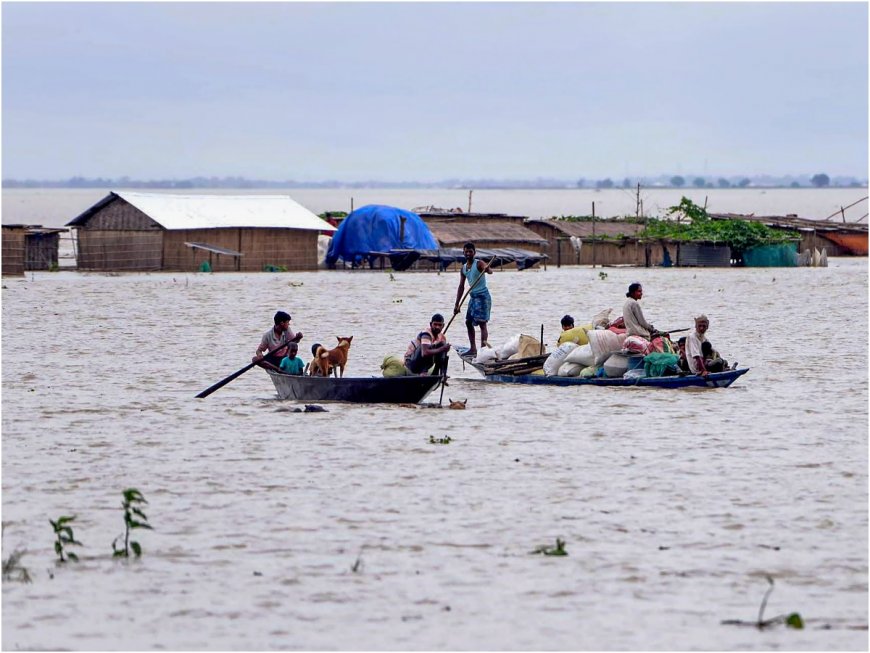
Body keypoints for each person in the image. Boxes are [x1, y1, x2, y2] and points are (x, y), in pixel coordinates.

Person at [454, 242, 493, 356]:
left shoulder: (479, 264)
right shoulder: (464, 268)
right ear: (463, 253)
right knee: (468, 322)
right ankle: (473, 349)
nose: (468, 253)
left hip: (482, 297)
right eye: (466, 251)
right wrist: (457, 305)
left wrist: (487, 269)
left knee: (482, 323)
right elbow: (461, 287)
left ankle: (483, 350)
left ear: (474, 253)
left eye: (470, 251)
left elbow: (490, 271)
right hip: (473, 297)